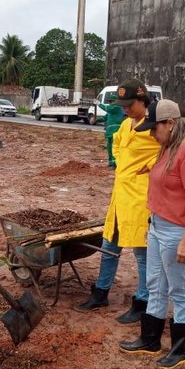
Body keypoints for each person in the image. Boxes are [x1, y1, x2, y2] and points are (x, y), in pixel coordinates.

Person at [118, 99, 185, 369]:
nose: (151, 133)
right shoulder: (166, 148)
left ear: (170, 123)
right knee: (155, 284)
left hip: (178, 231)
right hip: (158, 227)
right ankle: (150, 340)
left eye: (154, 127)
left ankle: (180, 349)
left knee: (179, 291)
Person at [75, 79, 160, 325]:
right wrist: (125, 164)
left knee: (142, 254)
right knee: (109, 246)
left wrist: (147, 167)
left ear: (143, 101)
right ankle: (101, 292)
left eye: (129, 104)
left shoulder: (154, 126)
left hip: (141, 199)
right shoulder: (125, 125)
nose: (125, 109)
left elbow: (169, 153)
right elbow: (118, 148)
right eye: (122, 104)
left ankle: (142, 302)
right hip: (119, 196)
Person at [97, 96, 125, 168]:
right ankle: (110, 162)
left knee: (114, 147)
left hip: (115, 131)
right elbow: (104, 118)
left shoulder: (116, 108)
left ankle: (115, 163)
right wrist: (96, 119)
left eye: (111, 101)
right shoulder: (110, 111)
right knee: (109, 148)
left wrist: (99, 104)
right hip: (109, 132)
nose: (110, 103)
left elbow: (108, 108)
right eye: (109, 102)